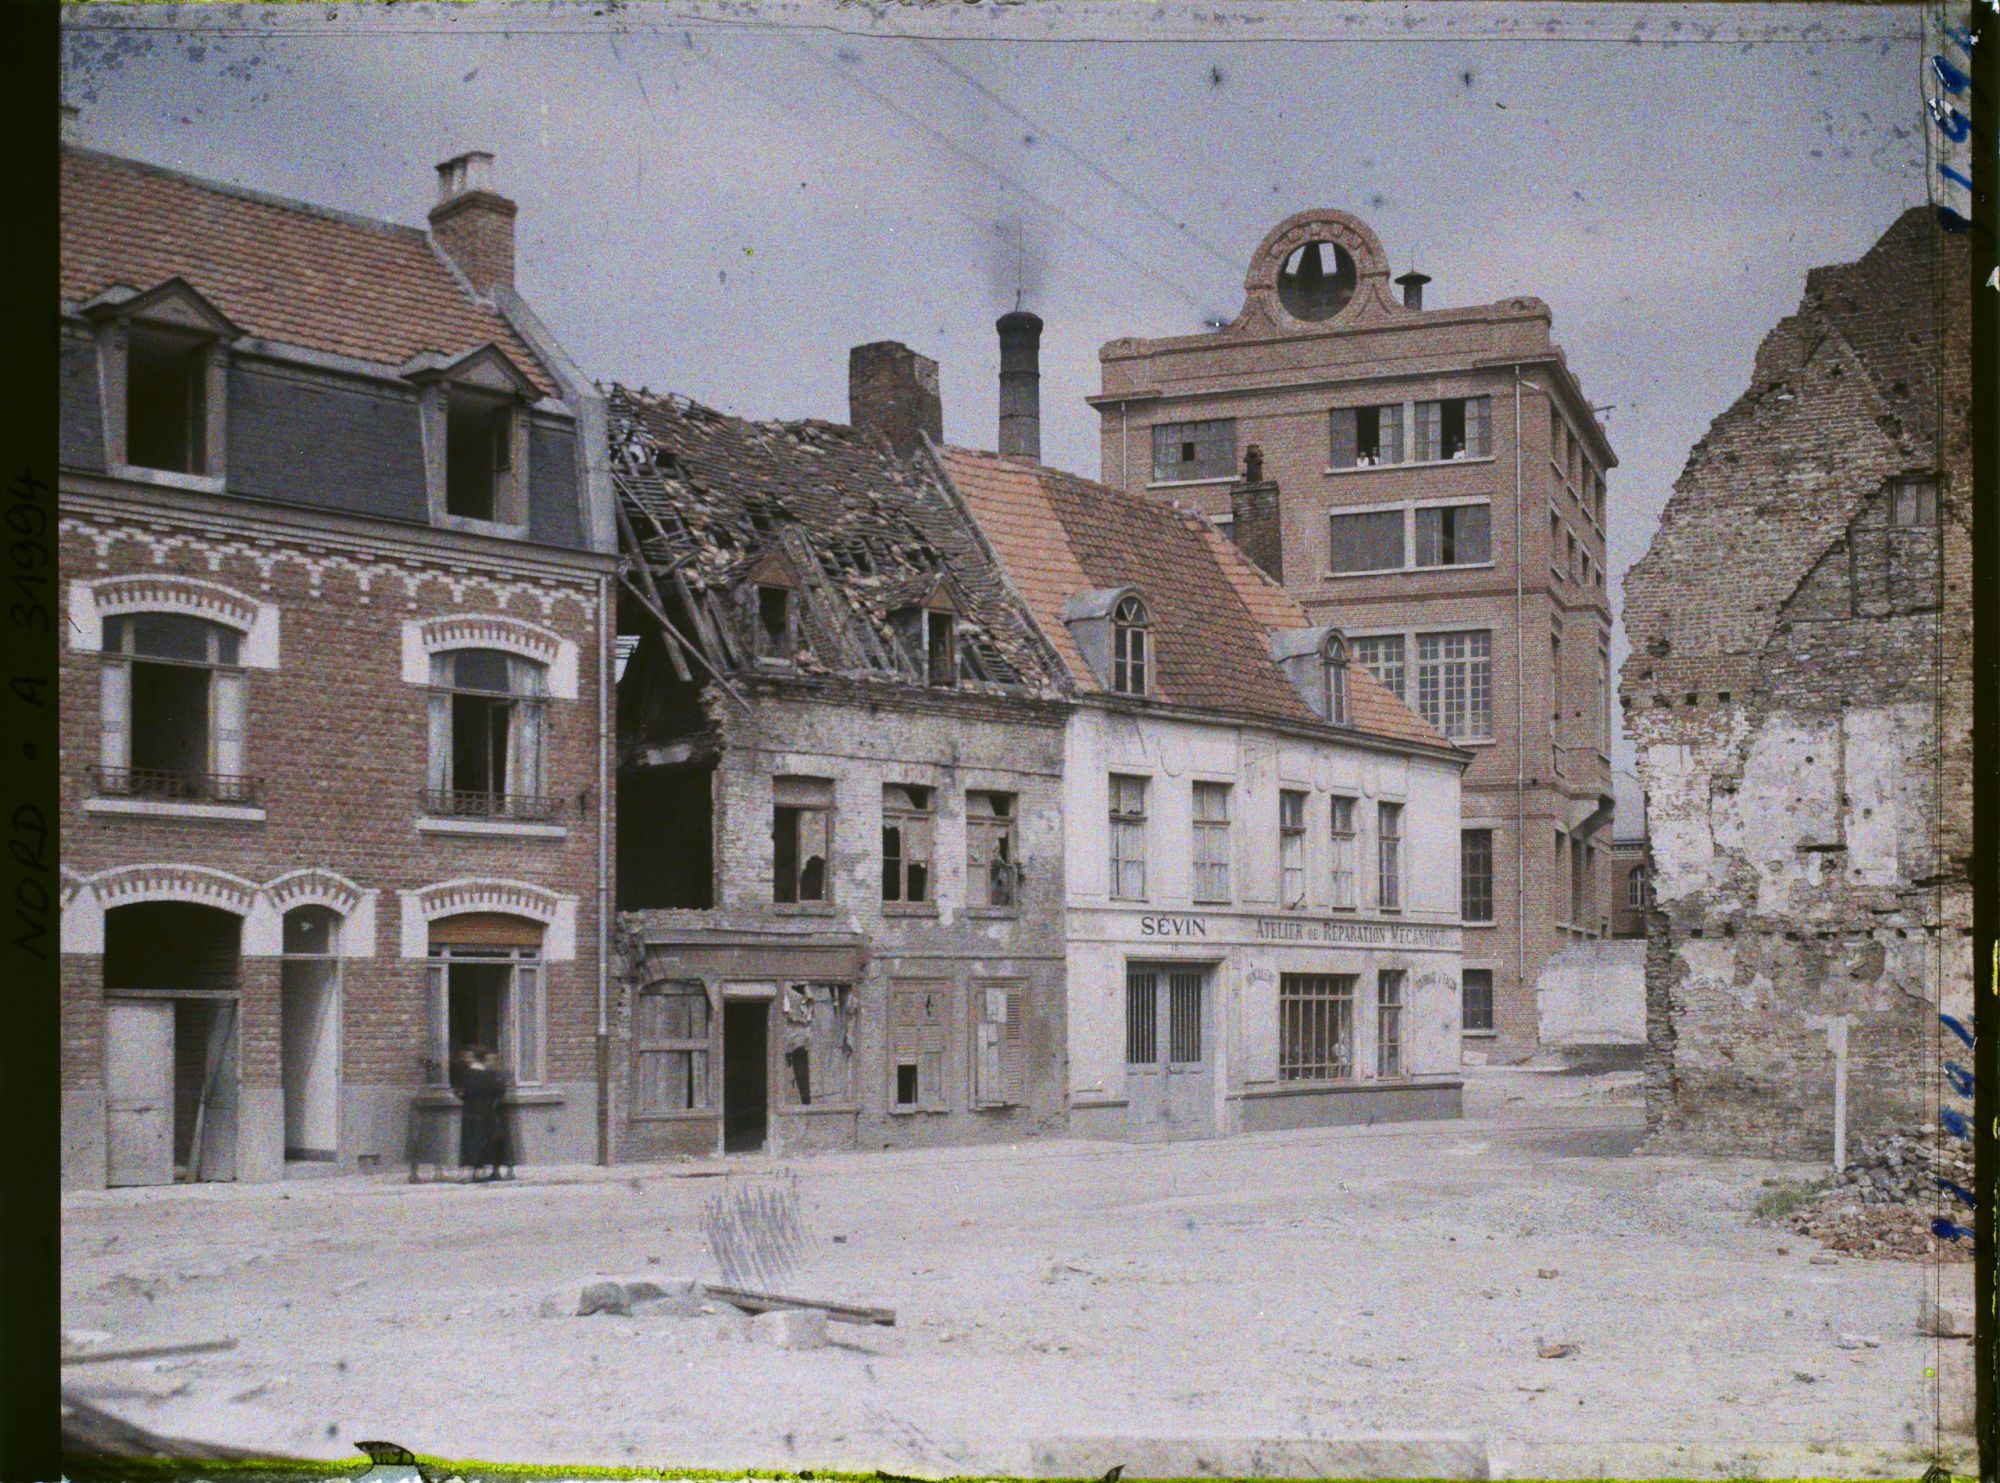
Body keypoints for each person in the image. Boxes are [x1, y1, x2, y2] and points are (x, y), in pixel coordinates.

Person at [456, 1045, 504, 1182]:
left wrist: (464, 1098)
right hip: (487, 1112)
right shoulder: (489, 1075)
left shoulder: (467, 1074)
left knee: (471, 1141)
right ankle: (481, 1172)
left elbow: (460, 1092)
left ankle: (472, 1173)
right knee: (483, 1141)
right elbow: (498, 1091)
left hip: (470, 1111)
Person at [484, 1049, 518, 1181]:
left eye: (490, 1060)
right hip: (490, 1114)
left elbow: (504, 1092)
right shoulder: (488, 1075)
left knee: (505, 1142)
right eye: (486, 1061)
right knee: (493, 1143)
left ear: (496, 1061)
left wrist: (495, 1102)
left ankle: (510, 1170)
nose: (487, 1063)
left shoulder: (502, 1075)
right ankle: (495, 1170)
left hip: (500, 1113)